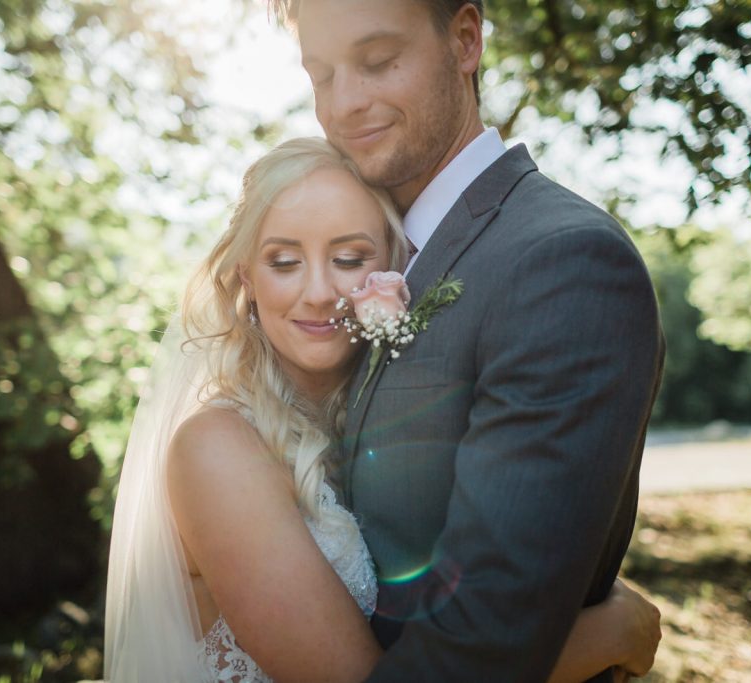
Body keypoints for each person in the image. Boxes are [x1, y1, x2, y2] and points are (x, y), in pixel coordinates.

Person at [103, 138, 661, 682]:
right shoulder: (218, 448)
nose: (319, 291)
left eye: (348, 257)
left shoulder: (385, 421)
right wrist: (605, 634)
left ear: (395, 267)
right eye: (284, 261)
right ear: (247, 278)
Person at [265, 1, 667, 681]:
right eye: (322, 73)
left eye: (377, 61)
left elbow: (477, 652)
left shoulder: (562, 261)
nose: (344, 104)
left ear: (465, 39)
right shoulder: (376, 257)